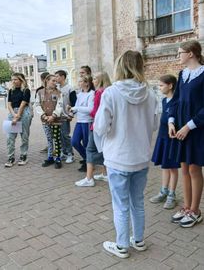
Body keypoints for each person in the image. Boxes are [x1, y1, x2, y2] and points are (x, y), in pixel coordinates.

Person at [94, 50, 158, 259]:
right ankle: (138, 240)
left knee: (120, 204)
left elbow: (101, 127)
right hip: (140, 157)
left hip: (118, 157)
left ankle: (122, 245)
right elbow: (155, 124)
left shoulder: (111, 93)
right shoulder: (150, 93)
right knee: (137, 201)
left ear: (120, 66)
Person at [168, 40, 204, 228]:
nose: (178, 55)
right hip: (180, 130)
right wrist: (171, 121)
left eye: (180, 52)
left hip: (196, 130)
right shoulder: (182, 75)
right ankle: (187, 207)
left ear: (191, 53)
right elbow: (175, 101)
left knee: (194, 169)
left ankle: (196, 211)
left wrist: (189, 126)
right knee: (184, 169)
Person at [75, 71, 111, 187]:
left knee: (90, 149)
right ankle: (105, 173)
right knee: (103, 149)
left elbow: (95, 111)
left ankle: (89, 178)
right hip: (104, 125)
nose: (93, 81)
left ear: (101, 80)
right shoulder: (107, 91)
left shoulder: (99, 93)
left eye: (95, 79)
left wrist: (91, 114)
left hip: (96, 125)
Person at [150, 74, 180, 209]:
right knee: (165, 166)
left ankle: (172, 195)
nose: (159, 87)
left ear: (170, 86)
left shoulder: (177, 101)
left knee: (172, 167)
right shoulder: (163, 100)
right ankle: (164, 191)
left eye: (161, 85)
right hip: (162, 137)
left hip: (171, 139)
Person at [36, 74, 63, 169]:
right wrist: (43, 115)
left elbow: (60, 105)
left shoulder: (58, 93)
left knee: (56, 138)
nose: (55, 83)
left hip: (55, 120)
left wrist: (54, 115)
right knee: (49, 138)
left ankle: (58, 158)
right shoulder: (40, 92)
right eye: (53, 81)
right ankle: (50, 157)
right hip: (45, 120)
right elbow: (37, 104)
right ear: (47, 81)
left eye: (56, 81)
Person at [5, 73, 32, 167]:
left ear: (21, 80)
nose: (13, 81)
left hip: (24, 113)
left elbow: (23, 104)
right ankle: (11, 157)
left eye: (16, 79)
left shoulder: (26, 90)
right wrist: (13, 115)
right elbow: (8, 104)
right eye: (12, 79)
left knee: (24, 136)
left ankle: (23, 155)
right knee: (10, 137)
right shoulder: (11, 91)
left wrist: (17, 116)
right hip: (12, 113)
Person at [69, 75, 94, 172]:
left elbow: (90, 109)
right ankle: (87, 159)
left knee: (87, 144)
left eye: (80, 82)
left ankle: (88, 163)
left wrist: (76, 108)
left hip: (87, 122)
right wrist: (71, 111)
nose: (79, 83)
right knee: (74, 142)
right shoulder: (79, 94)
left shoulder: (91, 94)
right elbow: (76, 107)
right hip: (79, 121)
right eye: (78, 81)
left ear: (87, 83)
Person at [55, 70, 77, 164]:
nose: (55, 78)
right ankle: (64, 152)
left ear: (63, 77)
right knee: (59, 135)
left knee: (65, 135)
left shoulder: (70, 88)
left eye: (57, 76)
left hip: (65, 116)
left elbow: (74, 102)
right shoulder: (56, 88)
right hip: (57, 115)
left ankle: (70, 154)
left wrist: (71, 114)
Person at [35, 71, 49, 153]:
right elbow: (37, 103)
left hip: (53, 114)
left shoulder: (55, 89)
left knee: (56, 132)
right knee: (47, 132)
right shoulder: (39, 90)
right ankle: (49, 146)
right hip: (44, 114)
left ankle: (57, 148)